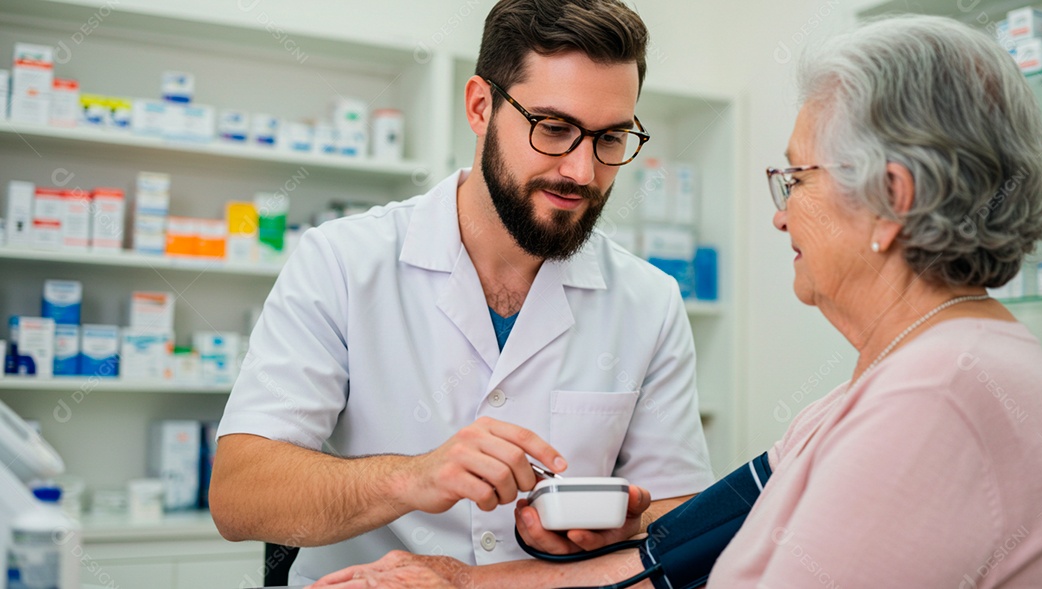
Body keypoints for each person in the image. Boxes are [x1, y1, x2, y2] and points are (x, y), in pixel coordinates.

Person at [308, 14, 1042, 589]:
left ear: (889, 199)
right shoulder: (903, 378)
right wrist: (461, 578)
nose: (781, 214)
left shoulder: (937, 398)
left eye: (797, 178)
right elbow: (668, 551)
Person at [208, 0, 714, 584]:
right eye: (554, 129)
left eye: (611, 138)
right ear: (480, 106)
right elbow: (239, 495)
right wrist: (413, 478)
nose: (581, 170)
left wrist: (627, 525)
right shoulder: (343, 261)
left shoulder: (649, 300)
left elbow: (679, 512)